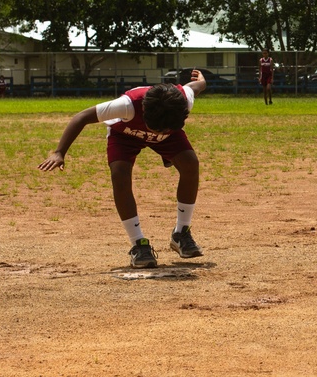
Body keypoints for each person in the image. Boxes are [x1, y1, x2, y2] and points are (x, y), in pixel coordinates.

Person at [39, 70, 208, 268]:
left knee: (190, 163)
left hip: (168, 134)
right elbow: (81, 117)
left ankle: (181, 233)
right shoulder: (127, 105)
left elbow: (197, 87)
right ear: (145, 114)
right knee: (119, 174)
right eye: (155, 129)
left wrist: (202, 80)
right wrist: (60, 152)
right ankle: (138, 244)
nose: (157, 133)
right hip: (125, 134)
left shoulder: (182, 101)